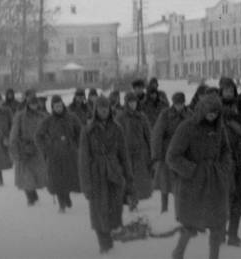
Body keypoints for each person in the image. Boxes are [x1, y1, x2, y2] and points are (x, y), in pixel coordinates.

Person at [166, 93, 233, 259]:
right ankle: (178, 253)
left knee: (218, 225)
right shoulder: (187, 127)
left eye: (216, 112)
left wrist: (223, 169)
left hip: (215, 182)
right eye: (210, 111)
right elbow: (172, 156)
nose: (213, 115)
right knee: (191, 225)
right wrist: (192, 170)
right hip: (193, 185)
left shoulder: (219, 128)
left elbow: (226, 151)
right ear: (202, 109)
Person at [78, 95, 134, 254]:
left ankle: (110, 239)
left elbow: (124, 156)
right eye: (101, 108)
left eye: (106, 108)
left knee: (115, 209)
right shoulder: (87, 130)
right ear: (96, 110)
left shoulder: (117, 128)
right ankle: (104, 244)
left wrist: (128, 178)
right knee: (98, 211)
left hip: (114, 174)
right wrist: (86, 184)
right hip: (96, 175)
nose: (104, 111)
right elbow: (83, 160)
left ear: (110, 109)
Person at [219, 77, 241, 247]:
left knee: (238, 198)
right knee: (223, 199)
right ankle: (218, 234)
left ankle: (233, 235)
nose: (229, 93)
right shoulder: (215, 110)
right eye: (225, 90)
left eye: (231, 90)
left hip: (239, 160)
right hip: (222, 162)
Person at [37, 94, 83, 213]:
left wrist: (76, 144)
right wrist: (47, 148)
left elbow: (80, 132)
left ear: (63, 105)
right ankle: (61, 203)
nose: (58, 108)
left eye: (60, 105)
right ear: (52, 107)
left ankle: (66, 196)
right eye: (56, 106)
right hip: (54, 154)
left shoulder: (72, 118)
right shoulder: (48, 120)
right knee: (57, 179)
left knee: (68, 177)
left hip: (70, 153)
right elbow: (38, 136)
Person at [151, 91, 189, 214]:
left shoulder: (189, 114)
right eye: (177, 104)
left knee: (182, 184)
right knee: (165, 184)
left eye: (181, 104)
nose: (179, 106)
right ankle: (164, 209)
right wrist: (157, 155)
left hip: (183, 155)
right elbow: (157, 134)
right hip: (167, 154)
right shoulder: (165, 115)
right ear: (173, 103)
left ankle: (182, 210)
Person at [9, 90, 49, 206]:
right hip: (24, 149)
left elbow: (48, 132)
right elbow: (14, 134)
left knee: (37, 175)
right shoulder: (20, 116)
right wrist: (15, 150)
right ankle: (30, 198)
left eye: (36, 104)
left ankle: (33, 195)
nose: (34, 106)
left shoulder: (43, 116)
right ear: (28, 104)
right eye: (32, 104)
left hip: (38, 151)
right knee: (27, 176)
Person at [116, 91, 154, 206]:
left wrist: (151, 150)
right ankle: (130, 200)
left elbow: (148, 135)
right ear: (126, 103)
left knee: (139, 179)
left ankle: (135, 200)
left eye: (134, 102)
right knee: (127, 178)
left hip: (140, 153)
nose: (133, 105)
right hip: (126, 153)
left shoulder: (141, 117)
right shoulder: (120, 117)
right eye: (130, 102)